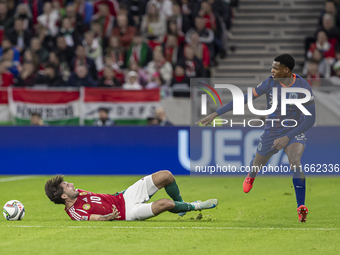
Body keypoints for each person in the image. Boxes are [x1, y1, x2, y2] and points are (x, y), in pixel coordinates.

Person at [196, 54, 316, 223]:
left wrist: (288, 137)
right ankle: (252, 175)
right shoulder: (269, 83)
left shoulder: (303, 87)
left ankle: (301, 207)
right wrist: (216, 113)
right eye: (272, 67)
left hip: (294, 130)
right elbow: (244, 99)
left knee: (295, 161)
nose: (272, 70)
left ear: (286, 70)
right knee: (258, 163)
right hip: (272, 132)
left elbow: (310, 119)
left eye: (275, 68)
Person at [44, 171, 218, 221]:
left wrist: (118, 195)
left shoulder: (76, 193)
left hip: (124, 197)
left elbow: (102, 198)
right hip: (128, 213)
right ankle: (196, 206)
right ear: (64, 197)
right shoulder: (76, 212)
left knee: (166, 176)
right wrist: (108, 217)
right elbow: (95, 218)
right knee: (165, 203)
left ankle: (181, 206)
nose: (71, 184)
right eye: (66, 185)